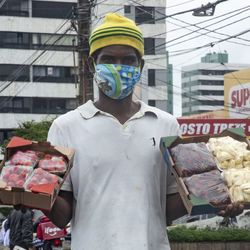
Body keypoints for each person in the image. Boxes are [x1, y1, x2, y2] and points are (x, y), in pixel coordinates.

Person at [46, 13, 244, 250]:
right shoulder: (66, 127)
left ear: (140, 66)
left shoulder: (165, 125)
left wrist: (218, 198)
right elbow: (61, 216)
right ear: (92, 64)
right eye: (109, 59)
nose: (119, 68)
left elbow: (168, 209)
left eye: (128, 60)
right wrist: (28, 196)